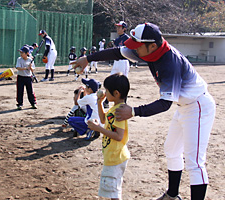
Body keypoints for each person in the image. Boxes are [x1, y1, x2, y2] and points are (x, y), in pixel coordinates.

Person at [73, 22, 216, 200]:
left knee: (195, 162)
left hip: (198, 106)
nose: (134, 50)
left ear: (153, 46)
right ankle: (172, 196)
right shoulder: (148, 49)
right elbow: (117, 52)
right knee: (171, 150)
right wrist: (89, 59)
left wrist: (134, 111)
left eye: (138, 46)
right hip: (185, 106)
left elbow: (165, 104)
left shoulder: (168, 63)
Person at [87, 73, 130, 200]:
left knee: (113, 192)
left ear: (116, 93)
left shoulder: (120, 111)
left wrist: (98, 129)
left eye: (107, 90)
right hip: (113, 155)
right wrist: (99, 103)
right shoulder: (114, 108)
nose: (104, 92)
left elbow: (118, 136)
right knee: (113, 190)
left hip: (115, 157)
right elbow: (103, 119)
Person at [15, 45, 37, 110]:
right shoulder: (19, 59)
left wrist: (30, 68)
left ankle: (33, 103)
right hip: (20, 77)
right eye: (20, 53)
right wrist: (26, 68)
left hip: (28, 77)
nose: (21, 54)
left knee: (30, 91)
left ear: (27, 53)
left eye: (22, 53)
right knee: (20, 91)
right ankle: (20, 104)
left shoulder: (30, 60)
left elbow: (33, 69)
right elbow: (17, 68)